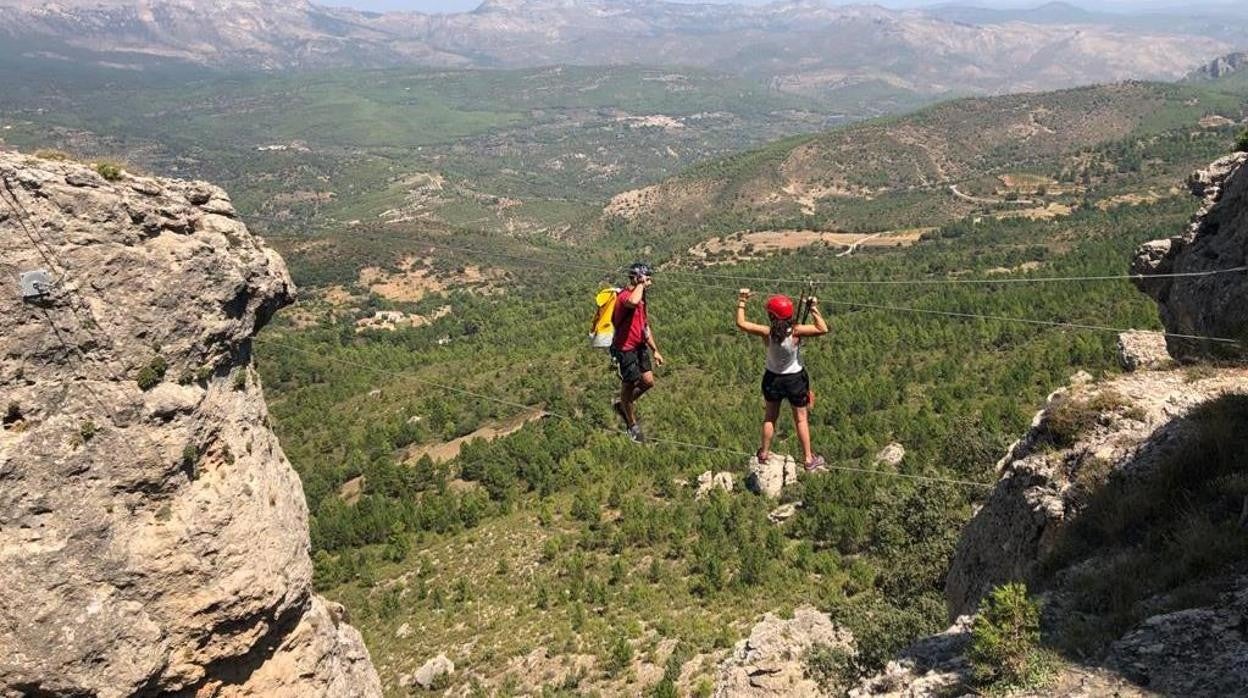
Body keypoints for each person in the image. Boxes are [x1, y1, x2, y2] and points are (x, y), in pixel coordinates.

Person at [735, 288, 828, 471]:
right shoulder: (796, 332)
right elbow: (822, 328)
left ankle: (764, 453)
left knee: (770, 417)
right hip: (795, 379)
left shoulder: (766, 332)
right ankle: (808, 459)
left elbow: (741, 323)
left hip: (772, 379)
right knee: (801, 419)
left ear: (771, 316)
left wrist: (742, 300)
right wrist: (813, 308)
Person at [611, 262, 665, 442]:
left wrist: (655, 350)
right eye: (646, 278)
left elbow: (645, 328)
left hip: (639, 346)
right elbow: (632, 302)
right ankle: (631, 424)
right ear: (636, 278)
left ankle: (624, 404)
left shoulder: (642, 299)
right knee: (630, 383)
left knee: (648, 382)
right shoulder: (625, 297)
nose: (649, 282)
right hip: (625, 349)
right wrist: (641, 284)